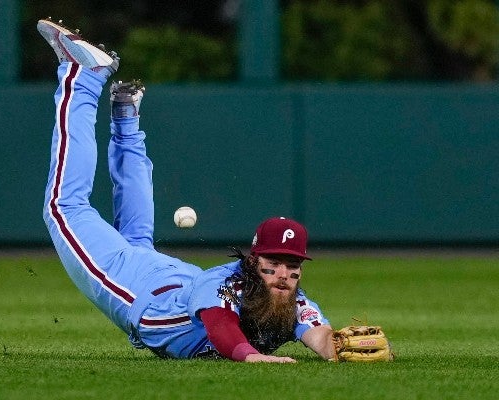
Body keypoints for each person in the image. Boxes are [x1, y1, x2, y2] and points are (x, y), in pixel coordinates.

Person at [38, 17, 336, 363]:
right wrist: (252, 357)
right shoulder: (225, 284)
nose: (284, 274)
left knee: (136, 243)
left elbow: (319, 334)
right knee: (64, 207)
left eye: (292, 265)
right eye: (275, 262)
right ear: (254, 261)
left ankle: (125, 115)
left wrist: (339, 349)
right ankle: (83, 76)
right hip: (143, 291)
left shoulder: (294, 301)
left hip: (169, 280)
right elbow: (221, 327)